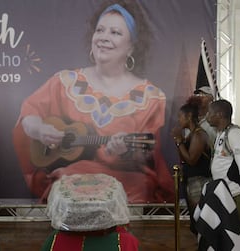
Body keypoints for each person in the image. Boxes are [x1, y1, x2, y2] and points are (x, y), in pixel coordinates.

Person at [13, 1, 174, 203]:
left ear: (132, 46)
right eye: (100, 30)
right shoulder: (64, 82)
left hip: (125, 188)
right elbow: (29, 115)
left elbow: (149, 157)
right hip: (69, 185)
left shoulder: (150, 97)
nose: (104, 37)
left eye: (115, 32)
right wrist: (39, 129)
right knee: (66, 179)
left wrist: (123, 153)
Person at [206, 99, 240, 246]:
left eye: (210, 113)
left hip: (236, 193)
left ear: (220, 114)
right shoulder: (221, 134)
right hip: (223, 192)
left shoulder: (234, 134)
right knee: (227, 232)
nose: (207, 116)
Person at [171, 97, 211, 234]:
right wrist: (180, 141)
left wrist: (179, 141)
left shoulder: (199, 135)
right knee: (195, 219)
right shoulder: (191, 135)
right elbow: (183, 158)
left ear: (189, 116)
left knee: (199, 218)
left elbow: (192, 160)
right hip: (191, 180)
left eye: (180, 117)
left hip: (198, 182)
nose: (179, 120)